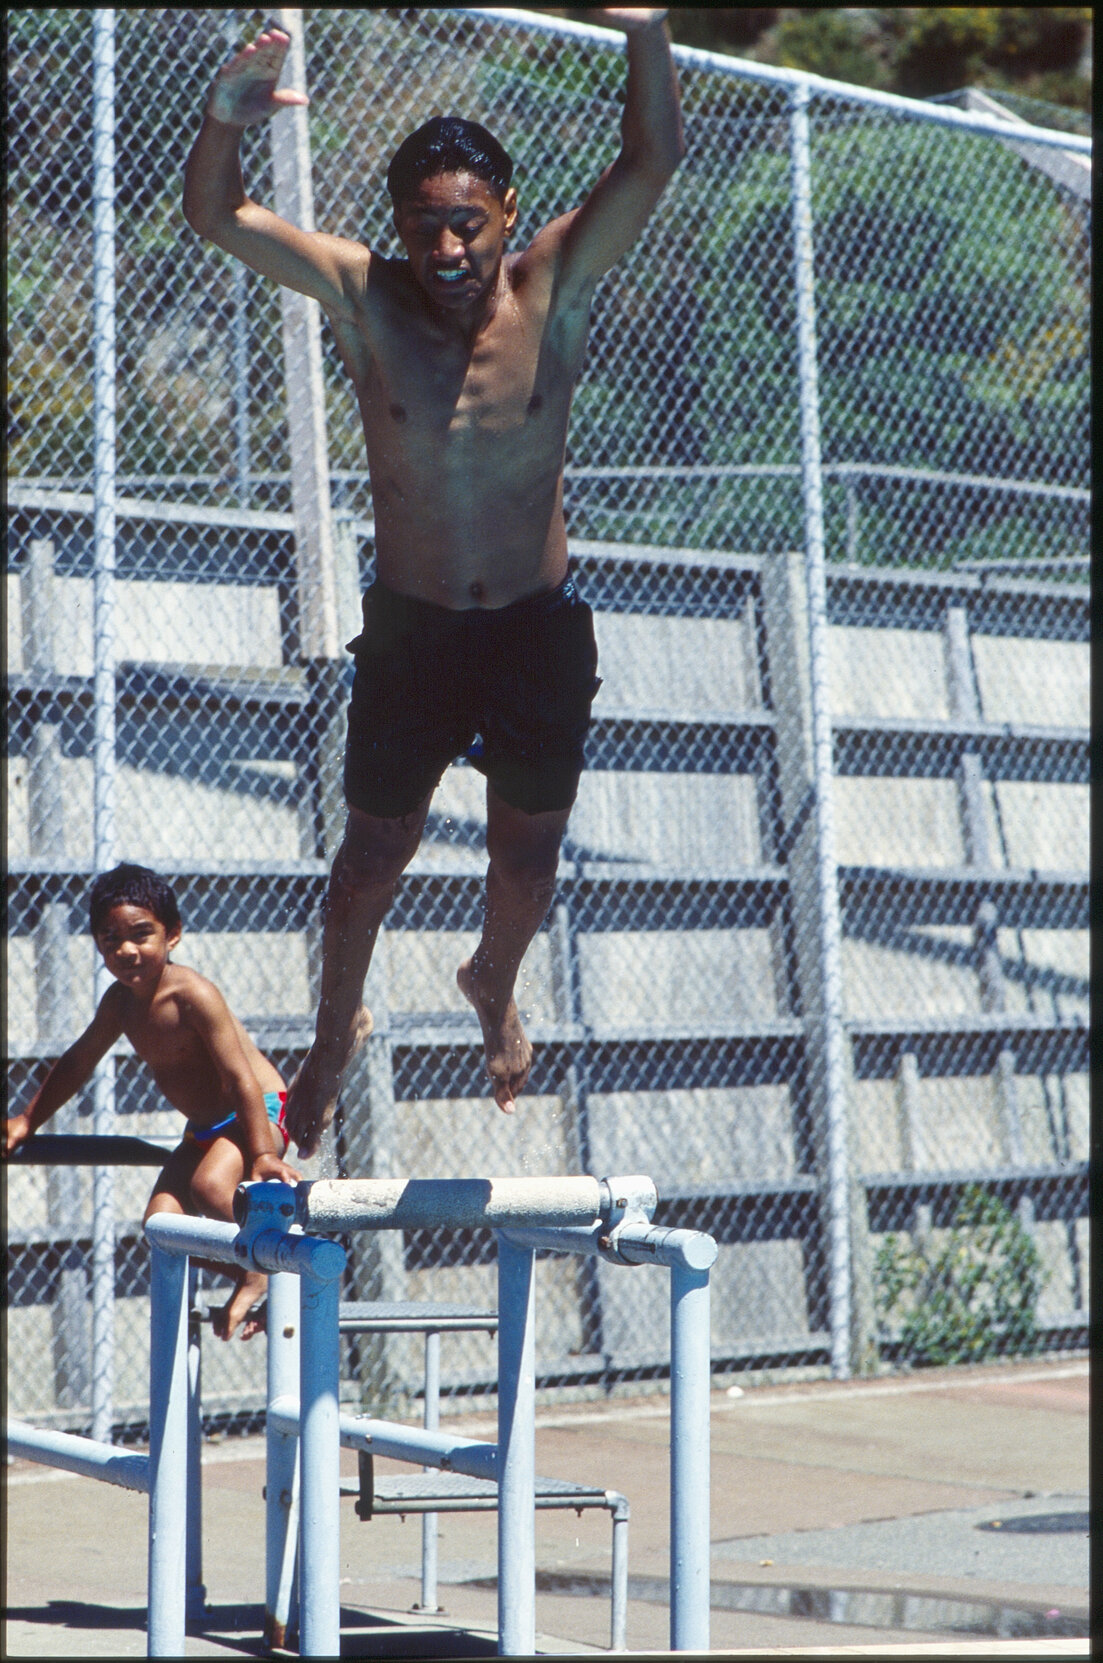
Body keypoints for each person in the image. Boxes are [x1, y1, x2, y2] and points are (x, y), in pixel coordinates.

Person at [183, 10, 684, 1155]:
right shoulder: (367, 297)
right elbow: (216, 215)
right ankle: (327, 1039)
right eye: (425, 230)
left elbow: (650, 159)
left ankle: (491, 983)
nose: (447, 253)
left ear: (506, 216)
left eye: (466, 226)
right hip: (413, 631)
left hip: (534, 631)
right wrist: (223, 118)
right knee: (369, 855)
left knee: (524, 857)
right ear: (398, 230)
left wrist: (648, 29)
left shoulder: (551, 282)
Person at [3, 864, 301, 1340]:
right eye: (110, 938)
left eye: (141, 934)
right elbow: (78, 1062)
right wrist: (27, 1120)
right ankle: (254, 1269)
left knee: (208, 1186)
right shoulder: (119, 1004)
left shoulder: (193, 995)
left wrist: (263, 1152)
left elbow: (239, 1077)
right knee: (161, 1225)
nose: (125, 950)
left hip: (257, 1111)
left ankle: (291, 1255)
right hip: (204, 1129)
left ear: (173, 935)